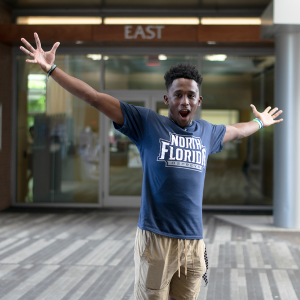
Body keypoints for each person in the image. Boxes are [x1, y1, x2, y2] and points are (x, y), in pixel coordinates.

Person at [20, 33, 283, 300]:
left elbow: (237, 130)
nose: (185, 101)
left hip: (193, 242)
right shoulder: (146, 123)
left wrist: (260, 123)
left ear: (199, 101)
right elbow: (94, 98)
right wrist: (52, 69)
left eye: (191, 95)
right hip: (156, 240)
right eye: (178, 95)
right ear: (167, 99)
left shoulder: (207, 132)